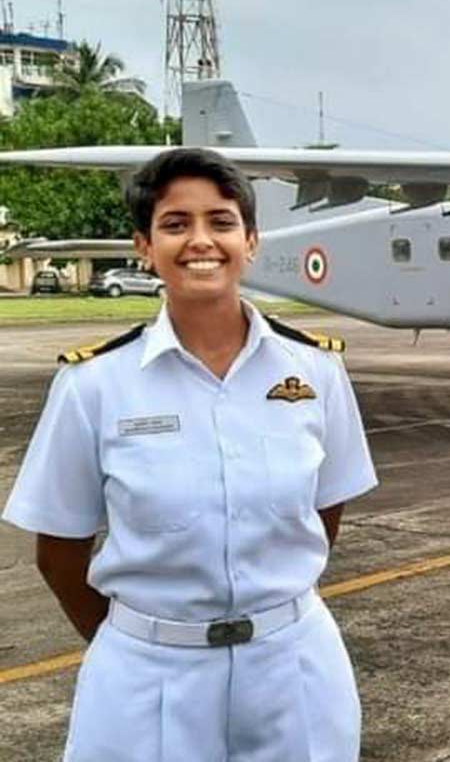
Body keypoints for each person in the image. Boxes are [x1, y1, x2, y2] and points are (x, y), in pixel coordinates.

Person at [2, 147, 377, 761]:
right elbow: (59, 552)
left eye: (221, 222)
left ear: (251, 241)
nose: (201, 240)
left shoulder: (315, 370)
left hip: (292, 665)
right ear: (144, 247)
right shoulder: (94, 384)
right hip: (146, 673)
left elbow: (323, 512)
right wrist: (141, 641)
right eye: (175, 224)